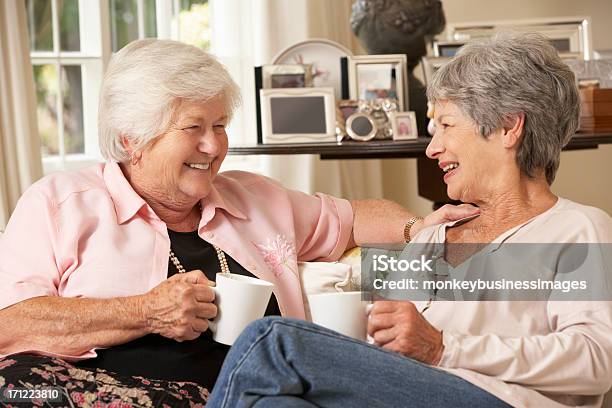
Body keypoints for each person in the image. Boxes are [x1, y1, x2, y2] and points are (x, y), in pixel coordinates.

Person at [0, 39, 476, 406]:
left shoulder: (256, 199)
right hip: (117, 393)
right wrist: (146, 310)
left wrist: (422, 229)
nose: (214, 146)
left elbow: (353, 221)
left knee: (278, 359)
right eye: (194, 128)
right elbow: (9, 327)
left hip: (263, 393)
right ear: (132, 140)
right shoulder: (61, 205)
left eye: (221, 125)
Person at [207, 33, 612, 408]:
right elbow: (384, 349)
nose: (433, 149)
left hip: (498, 400)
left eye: (448, 127)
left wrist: (443, 347)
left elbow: (596, 360)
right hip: (407, 393)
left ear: (509, 126)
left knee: (273, 338)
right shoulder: (435, 233)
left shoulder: (579, 228)